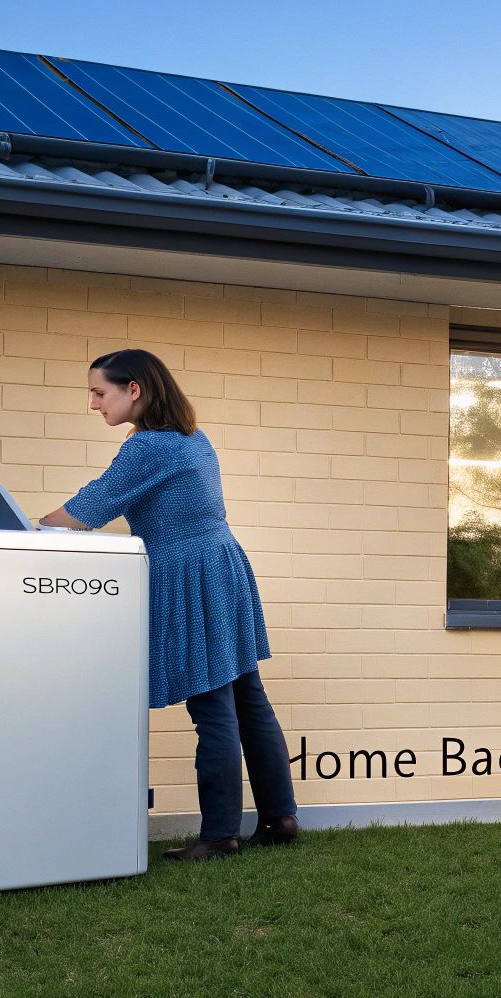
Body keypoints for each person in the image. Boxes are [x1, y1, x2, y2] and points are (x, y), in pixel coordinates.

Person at [41, 349, 297, 861]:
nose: (93, 404)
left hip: (188, 574)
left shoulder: (150, 447)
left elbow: (88, 507)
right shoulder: (191, 438)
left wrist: (19, 530)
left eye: (99, 392)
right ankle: (279, 817)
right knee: (248, 697)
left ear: (133, 389)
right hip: (222, 564)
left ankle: (221, 833)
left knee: (213, 707)